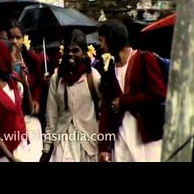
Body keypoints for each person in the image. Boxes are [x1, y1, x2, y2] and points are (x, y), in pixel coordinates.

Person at [97, 19, 167, 162]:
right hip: (122, 134)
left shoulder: (145, 59)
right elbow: (106, 109)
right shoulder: (110, 69)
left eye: (102, 41)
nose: (101, 45)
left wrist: (125, 101)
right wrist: (103, 147)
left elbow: (158, 93)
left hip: (146, 136)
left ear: (112, 39)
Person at [40, 29, 102, 162]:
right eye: (68, 50)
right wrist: (46, 150)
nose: (70, 54)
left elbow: (103, 112)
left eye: (75, 50)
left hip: (89, 146)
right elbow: (52, 117)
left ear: (84, 53)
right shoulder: (57, 79)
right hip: (63, 142)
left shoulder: (93, 78)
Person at [7, 20, 44, 161]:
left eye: (18, 37)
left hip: (30, 117)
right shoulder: (1, 62)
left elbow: (39, 83)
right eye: (11, 38)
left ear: (23, 39)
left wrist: (36, 98)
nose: (15, 41)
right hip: (11, 121)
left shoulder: (32, 60)